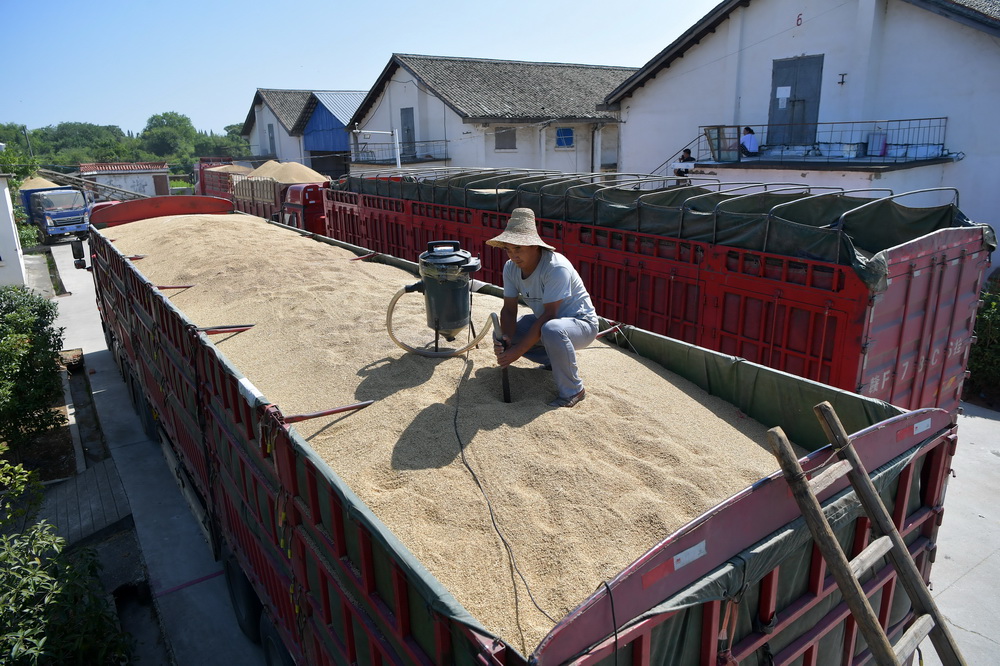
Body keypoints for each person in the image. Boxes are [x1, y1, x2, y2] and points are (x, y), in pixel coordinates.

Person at [488, 208, 598, 408]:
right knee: (501, 333)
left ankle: (573, 390)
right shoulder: (510, 268)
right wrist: (507, 341)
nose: (513, 256)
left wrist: (518, 352)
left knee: (551, 329)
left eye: (518, 249)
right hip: (550, 324)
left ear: (535, 246)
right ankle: (553, 363)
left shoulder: (556, 267)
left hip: (582, 324)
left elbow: (549, 315)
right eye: (509, 250)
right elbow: (509, 310)